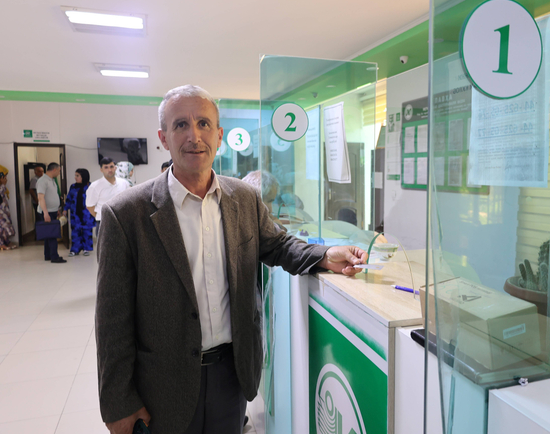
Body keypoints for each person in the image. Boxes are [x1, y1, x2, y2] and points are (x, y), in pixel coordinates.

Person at [95, 84, 367, 434]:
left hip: (232, 374)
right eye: (181, 125)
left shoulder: (244, 198)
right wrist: (119, 403)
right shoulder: (125, 214)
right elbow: (111, 321)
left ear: (219, 135)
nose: (194, 135)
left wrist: (326, 254)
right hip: (163, 384)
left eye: (204, 124)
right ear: (164, 138)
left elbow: (278, 244)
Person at [86, 157, 132, 226]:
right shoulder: (95, 186)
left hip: (122, 221)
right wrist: (101, 217)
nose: (109, 170)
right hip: (104, 222)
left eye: (111, 166)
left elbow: (129, 200)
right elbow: (90, 206)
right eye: (106, 167)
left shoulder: (124, 183)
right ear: (101, 170)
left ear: (115, 168)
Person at [36, 162, 65, 263]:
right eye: (59, 171)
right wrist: (45, 213)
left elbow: (52, 196)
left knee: (48, 234)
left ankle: (47, 255)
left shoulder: (52, 180)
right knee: (52, 235)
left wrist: (57, 209)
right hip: (46, 212)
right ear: (54, 170)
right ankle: (54, 257)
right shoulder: (42, 181)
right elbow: (40, 198)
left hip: (52, 211)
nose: (59, 173)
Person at [64, 169, 94, 257]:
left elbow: (95, 199)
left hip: (87, 214)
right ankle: (75, 249)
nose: (75, 177)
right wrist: (65, 209)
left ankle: (86, 249)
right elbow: (69, 199)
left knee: (87, 231)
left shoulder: (90, 186)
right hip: (75, 214)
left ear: (83, 176)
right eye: (75, 175)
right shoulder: (73, 187)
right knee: (75, 231)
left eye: (77, 176)